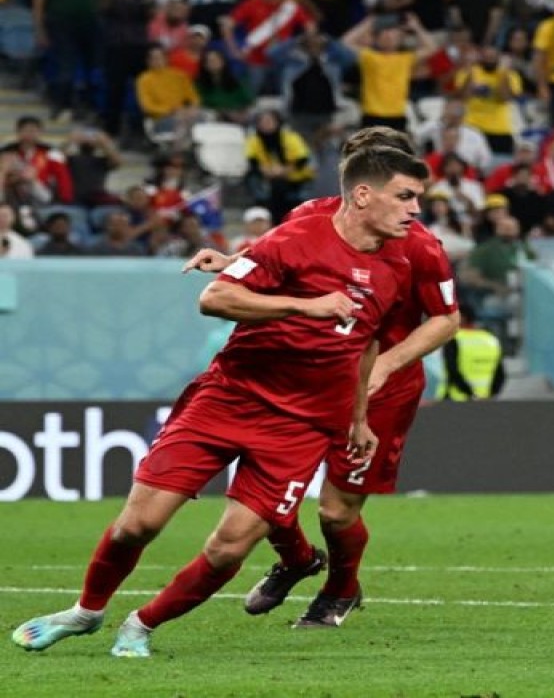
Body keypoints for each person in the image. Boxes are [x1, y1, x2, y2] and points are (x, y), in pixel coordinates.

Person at [11, 146, 431, 657]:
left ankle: (141, 627)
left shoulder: (396, 266)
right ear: (364, 195)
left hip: (303, 427)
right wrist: (304, 305)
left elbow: (364, 343)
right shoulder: (295, 237)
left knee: (230, 543)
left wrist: (359, 417)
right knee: (137, 524)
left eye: (418, 199)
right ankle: (86, 611)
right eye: (405, 196)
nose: (415, 209)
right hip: (230, 398)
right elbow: (215, 298)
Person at [183, 127, 460, 628]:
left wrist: (386, 366)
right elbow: (278, 263)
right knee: (267, 493)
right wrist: (232, 264)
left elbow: (447, 319)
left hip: (381, 388)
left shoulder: (420, 247)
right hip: (307, 379)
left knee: (336, 512)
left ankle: (340, 589)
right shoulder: (307, 216)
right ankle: (296, 559)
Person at [440, 304, 505, 401]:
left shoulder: (454, 339)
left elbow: (452, 371)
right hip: (484, 400)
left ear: (462, 318)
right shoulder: (490, 339)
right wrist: (489, 395)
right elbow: (500, 374)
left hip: (456, 399)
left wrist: (471, 394)